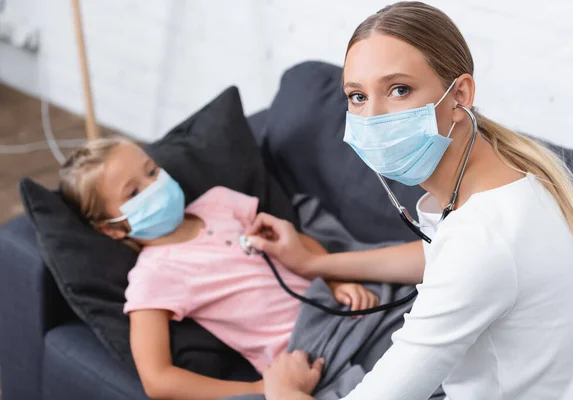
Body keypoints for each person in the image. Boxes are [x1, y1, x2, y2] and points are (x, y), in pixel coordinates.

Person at [247, 2, 573, 399]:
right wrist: (317, 262)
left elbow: (469, 260)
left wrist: (283, 390)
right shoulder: (515, 177)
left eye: (399, 89)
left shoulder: (482, 241)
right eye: (357, 96)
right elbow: (441, 256)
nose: (374, 118)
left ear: (460, 94)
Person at [58, 137, 379, 400]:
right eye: (133, 192)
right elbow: (157, 380)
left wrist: (336, 280)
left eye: (152, 171)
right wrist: (260, 389)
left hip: (343, 309)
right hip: (309, 353)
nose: (154, 185)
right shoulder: (152, 277)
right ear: (111, 229)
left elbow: (293, 242)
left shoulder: (221, 202)